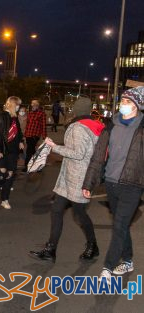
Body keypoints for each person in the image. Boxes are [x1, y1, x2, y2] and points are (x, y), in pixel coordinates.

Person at [29, 97, 104, 263]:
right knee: (57, 210)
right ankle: (51, 249)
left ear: (77, 110)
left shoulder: (78, 128)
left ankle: (93, 246)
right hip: (73, 177)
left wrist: (53, 147)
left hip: (78, 179)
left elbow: (78, 153)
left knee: (80, 215)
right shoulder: (92, 126)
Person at [82, 86, 144, 286]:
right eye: (123, 101)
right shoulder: (110, 125)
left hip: (133, 185)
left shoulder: (142, 128)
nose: (122, 105)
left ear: (137, 105)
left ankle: (107, 268)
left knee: (118, 226)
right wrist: (89, 183)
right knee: (121, 225)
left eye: (127, 101)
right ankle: (127, 260)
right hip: (111, 184)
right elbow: (98, 157)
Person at [0, 96, 24, 209]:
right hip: (2, 151)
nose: (19, 107)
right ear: (13, 105)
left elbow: (18, 132)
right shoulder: (1, 116)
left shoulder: (14, 117)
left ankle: (5, 199)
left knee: (10, 175)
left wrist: (21, 141)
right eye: (17, 105)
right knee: (1, 174)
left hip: (13, 151)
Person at [23, 99, 47, 172]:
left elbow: (43, 126)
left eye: (33, 104)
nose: (32, 105)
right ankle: (38, 166)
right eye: (31, 104)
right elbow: (27, 125)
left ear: (37, 105)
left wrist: (44, 137)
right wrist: (25, 134)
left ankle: (27, 166)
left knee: (29, 151)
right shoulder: (29, 113)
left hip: (35, 135)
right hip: (28, 135)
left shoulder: (41, 114)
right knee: (32, 151)